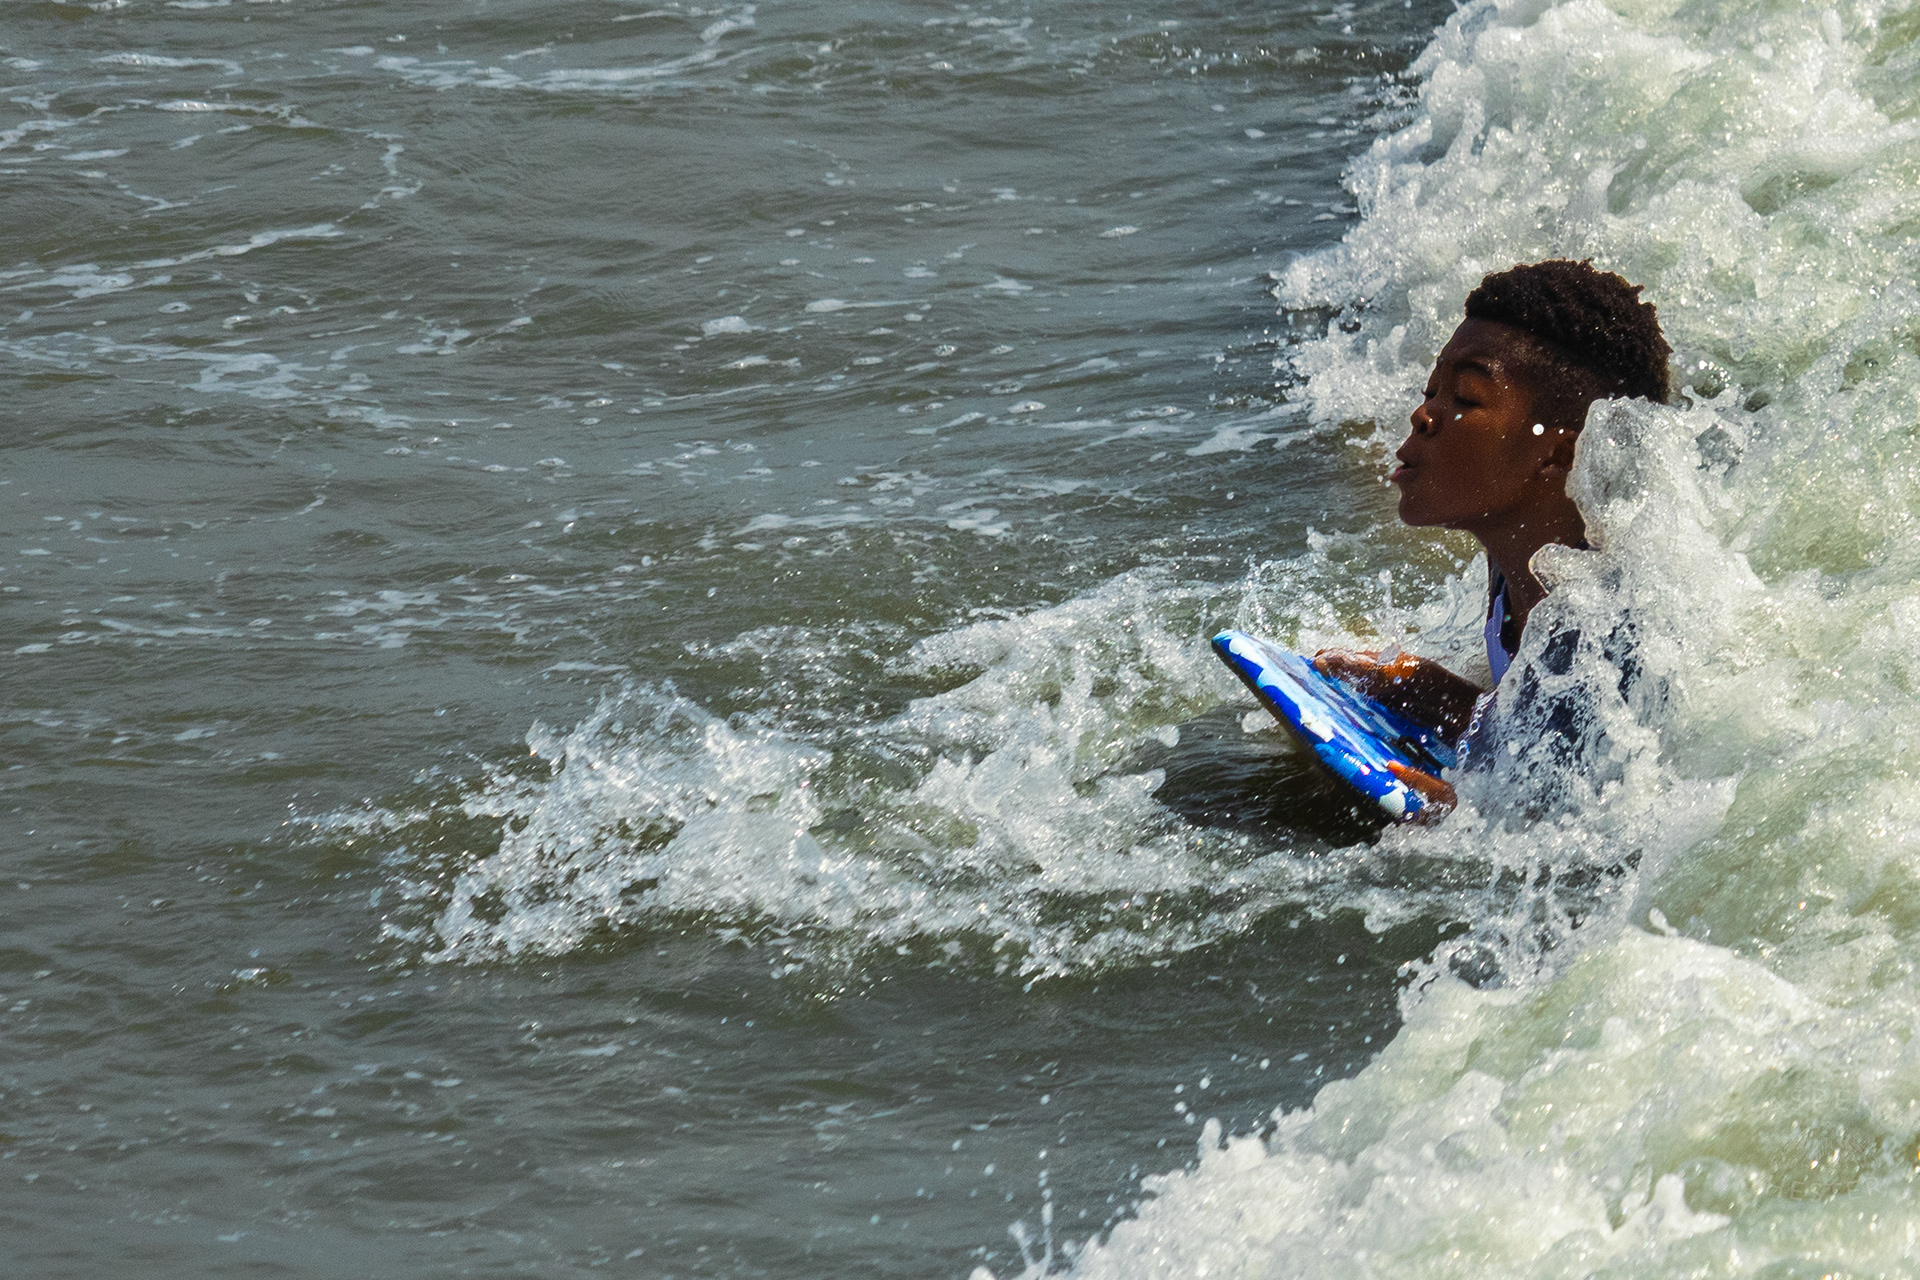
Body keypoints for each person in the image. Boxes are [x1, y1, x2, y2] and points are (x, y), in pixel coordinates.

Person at [1315, 259, 1672, 818]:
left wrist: (1452, 809)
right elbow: (1517, 714)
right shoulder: (1516, 554)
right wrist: (1418, 685)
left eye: (1465, 398)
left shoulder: (1600, 627)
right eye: (1433, 388)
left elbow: (1569, 820)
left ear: (1557, 453)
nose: (1422, 414)